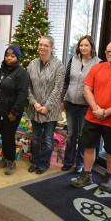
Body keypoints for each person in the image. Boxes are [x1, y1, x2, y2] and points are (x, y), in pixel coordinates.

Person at [71, 41, 111, 190]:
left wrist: (107, 112)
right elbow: (87, 89)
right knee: (89, 147)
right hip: (93, 116)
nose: (110, 54)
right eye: (108, 51)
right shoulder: (97, 68)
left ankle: (108, 176)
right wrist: (96, 108)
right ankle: (86, 175)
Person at [0, 45, 30, 175]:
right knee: (3, 135)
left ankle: (11, 161)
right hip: (0, 110)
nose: (9, 58)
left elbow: (22, 95)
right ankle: (5, 158)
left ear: (17, 58)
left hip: (11, 112)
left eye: (12, 56)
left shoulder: (22, 73)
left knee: (9, 136)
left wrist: (14, 112)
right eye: (7, 55)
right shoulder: (1, 71)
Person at [61, 35, 101, 173]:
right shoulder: (73, 59)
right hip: (70, 103)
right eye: (81, 45)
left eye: (86, 45)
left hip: (86, 107)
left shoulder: (98, 63)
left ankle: (80, 164)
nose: (83, 48)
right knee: (71, 135)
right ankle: (68, 161)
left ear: (92, 47)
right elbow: (66, 81)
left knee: (82, 136)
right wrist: (62, 99)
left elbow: (98, 87)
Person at [26, 36, 65, 175]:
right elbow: (27, 86)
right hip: (35, 108)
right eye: (40, 45)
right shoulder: (32, 64)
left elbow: (58, 88)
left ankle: (43, 164)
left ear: (52, 47)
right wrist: (34, 102)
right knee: (36, 138)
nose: (42, 47)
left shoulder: (58, 65)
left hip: (50, 111)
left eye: (45, 45)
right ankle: (35, 161)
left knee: (48, 139)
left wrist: (47, 106)